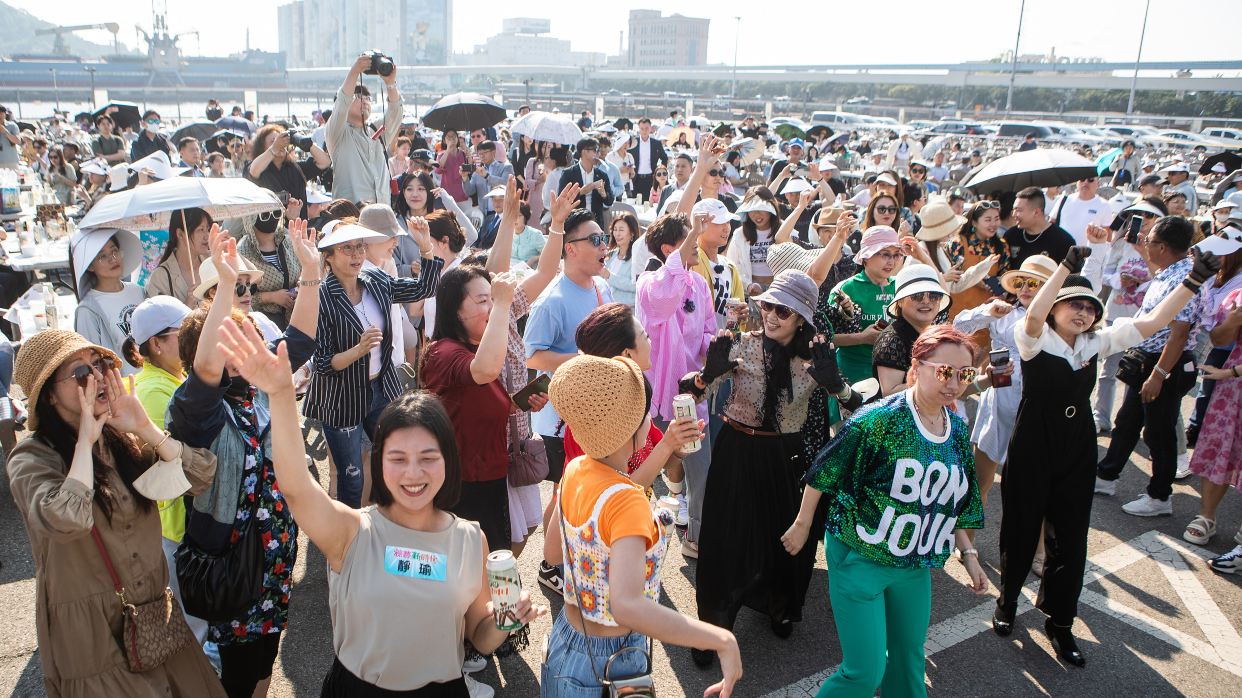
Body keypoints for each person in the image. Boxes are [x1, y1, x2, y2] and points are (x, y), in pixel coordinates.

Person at [221, 314, 546, 695]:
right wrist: (279, 395)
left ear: (448, 461)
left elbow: (480, 635)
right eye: (397, 458)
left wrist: (506, 619)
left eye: (428, 457)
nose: (413, 473)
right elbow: (296, 488)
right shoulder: (352, 531)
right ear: (379, 460)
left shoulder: (470, 539)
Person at [994, 243, 1218, 666]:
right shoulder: (1033, 339)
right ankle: (1007, 602)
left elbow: (1153, 321)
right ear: (1057, 307)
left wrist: (1192, 282)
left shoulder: (1097, 342)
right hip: (1033, 444)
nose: (1082, 313)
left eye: (1089, 308)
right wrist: (1064, 268)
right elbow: (1035, 314)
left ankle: (1060, 623)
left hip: (1076, 447)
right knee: (1021, 527)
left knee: (1072, 538)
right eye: (1074, 305)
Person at [7, 329, 225, 697]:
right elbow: (65, 519)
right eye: (80, 374)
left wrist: (145, 427)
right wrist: (85, 442)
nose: (97, 377)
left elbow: (199, 475)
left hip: (154, 620)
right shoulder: (32, 457)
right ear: (48, 394)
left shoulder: (119, 437)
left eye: (101, 364)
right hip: (94, 637)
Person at [783, 325, 988, 698]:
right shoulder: (877, 420)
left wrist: (969, 553)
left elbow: (957, 496)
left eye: (965, 374)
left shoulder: (956, 427)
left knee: (908, 662)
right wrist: (802, 525)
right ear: (916, 367)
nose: (954, 383)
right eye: (945, 371)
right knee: (865, 672)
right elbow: (823, 471)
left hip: (913, 564)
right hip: (860, 557)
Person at [166, 223, 321, 698]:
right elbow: (209, 368)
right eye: (233, 343)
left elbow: (300, 340)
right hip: (231, 564)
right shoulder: (198, 410)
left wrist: (311, 271)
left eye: (248, 338)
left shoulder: (259, 391)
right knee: (236, 670)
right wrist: (228, 286)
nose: (246, 349)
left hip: (275, 555)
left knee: (264, 660)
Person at [541, 354, 742, 698]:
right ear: (631, 428)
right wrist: (720, 638)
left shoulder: (576, 471)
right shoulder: (628, 502)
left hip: (567, 639)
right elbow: (628, 606)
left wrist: (666, 446)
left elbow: (551, 552)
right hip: (611, 659)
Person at [688, 270, 856, 659]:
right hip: (736, 451)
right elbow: (688, 391)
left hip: (786, 456)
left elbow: (857, 411)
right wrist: (704, 375)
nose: (773, 315)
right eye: (768, 305)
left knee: (783, 538)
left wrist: (837, 386)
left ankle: (779, 608)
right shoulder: (741, 345)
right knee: (724, 539)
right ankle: (713, 626)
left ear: (801, 318)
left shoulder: (814, 358)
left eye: (784, 309)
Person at [304, 220, 443, 508]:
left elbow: (425, 288)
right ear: (328, 256)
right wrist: (359, 349)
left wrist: (425, 246)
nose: (356, 254)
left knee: (393, 459)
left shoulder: (376, 281)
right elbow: (324, 364)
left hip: (381, 386)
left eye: (359, 247)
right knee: (351, 478)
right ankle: (346, 543)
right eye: (346, 248)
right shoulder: (321, 297)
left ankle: (391, 526)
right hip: (341, 397)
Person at [523, 203, 615, 591]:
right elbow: (531, 353)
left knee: (572, 491)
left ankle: (559, 557)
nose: (603, 245)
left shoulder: (602, 287)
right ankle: (549, 566)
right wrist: (581, 361)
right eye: (595, 239)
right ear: (570, 248)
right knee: (566, 494)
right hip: (558, 418)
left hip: (593, 411)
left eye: (604, 238)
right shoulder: (552, 299)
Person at [121, 296, 217, 659]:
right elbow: (180, 462)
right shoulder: (153, 391)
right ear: (156, 344)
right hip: (175, 521)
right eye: (182, 333)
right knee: (193, 620)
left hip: (183, 517)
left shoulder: (173, 377)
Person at [1095, 217, 1205, 516]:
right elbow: (1158, 272)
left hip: (1165, 364)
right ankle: (1106, 476)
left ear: (1164, 247)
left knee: (1159, 432)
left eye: (1150, 241)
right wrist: (1140, 249)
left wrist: (1159, 375)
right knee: (1127, 422)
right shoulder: (1172, 270)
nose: (1145, 244)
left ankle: (1160, 497)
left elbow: (1179, 334)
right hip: (1147, 360)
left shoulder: (1186, 280)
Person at [952, 255, 1056, 543]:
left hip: (1037, 408)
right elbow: (958, 326)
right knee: (980, 480)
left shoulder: (1058, 322)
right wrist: (987, 311)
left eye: (1034, 283)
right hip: (997, 400)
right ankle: (967, 543)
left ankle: (1037, 550)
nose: (1026, 288)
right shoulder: (1004, 312)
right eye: (1021, 282)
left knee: (1033, 486)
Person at [421, 266, 520, 553]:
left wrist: (513, 404)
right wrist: (502, 304)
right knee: (476, 569)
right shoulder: (444, 351)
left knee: (492, 564)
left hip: (489, 477)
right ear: (455, 311)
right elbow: (486, 371)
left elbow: (476, 397)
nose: (490, 306)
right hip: (464, 484)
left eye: (492, 298)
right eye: (481, 301)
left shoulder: (476, 346)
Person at [636, 211, 717, 554]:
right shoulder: (649, 283)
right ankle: (634, 534)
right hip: (655, 393)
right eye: (689, 238)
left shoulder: (699, 283)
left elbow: (707, 330)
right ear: (669, 249)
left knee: (702, 466)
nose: (696, 244)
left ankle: (697, 536)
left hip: (691, 393)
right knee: (642, 465)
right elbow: (664, 299)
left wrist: (717, 349)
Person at [1090, 199, 1166, 433]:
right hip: (1118, 312)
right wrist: (1119, 281)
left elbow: (1167, 278)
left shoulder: (1163, 246)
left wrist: (1143, 284)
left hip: (1150, 318)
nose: (1142, 220)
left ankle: (1132, 422)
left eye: (1149, 216)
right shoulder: (1122, 242)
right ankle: (1101, 415)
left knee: (1141, 373)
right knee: (1108, 370)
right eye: (1138, 214)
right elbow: (1106, 272)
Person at [828, 226, 903, 384]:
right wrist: (862, 338)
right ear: (866, 257)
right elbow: (825, 337)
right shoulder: (846, 289)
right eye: (885, 255)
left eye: (896, 255)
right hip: (853, 377)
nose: (892, 261)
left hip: (894, 375)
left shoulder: (901, 286)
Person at [327, 53, 404, 204]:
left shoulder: (376, 131)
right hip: (350, 218)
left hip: (382, 215)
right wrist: (355, 71)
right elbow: (342, 102)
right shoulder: (337, 132)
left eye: (368, 97)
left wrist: (390, 83)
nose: (364, 100)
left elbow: (396, 112)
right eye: (358, 96)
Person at [71, 228, 146, 377]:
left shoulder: (138, 291)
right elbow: (90, 361)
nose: (112, 259)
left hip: (154, 382)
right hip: (123, 389)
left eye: (114, 251)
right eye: (102, 256)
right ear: (90, 266)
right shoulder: (88, 309)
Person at [872, 265, 951, 396]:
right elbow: (889, 393)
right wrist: (934, 378)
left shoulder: (936, 332)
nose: (926, 301)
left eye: (934, 295)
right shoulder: (892, 339)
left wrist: (986, 380)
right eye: (917, 296)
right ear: (900, 302)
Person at [945, 200, 1011, 336]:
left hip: (986, 311)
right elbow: (951, 275)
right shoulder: (958, 243)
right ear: (974, 222)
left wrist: (996, 286)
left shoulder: (1001, 246)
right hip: (958, 307)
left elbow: (1005, 276)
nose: (993, 224)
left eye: (996, 219)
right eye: (988, 219)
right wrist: (975, 278)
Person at [236, 210, 307, 329]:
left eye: (277, 213)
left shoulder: (288, 241)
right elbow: (237, 297)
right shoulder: (242, 251)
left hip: (296, 316)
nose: (272, 218)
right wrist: (271, 296)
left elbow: (303, 270)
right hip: (264, 322)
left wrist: (300, 286)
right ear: (252, 217)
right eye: (265, 215)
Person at [246, 125, 331, 211]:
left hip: (299, 223)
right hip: (270, 222)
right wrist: (274, 148)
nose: (280, 144)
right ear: (262, 148)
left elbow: (325, 162)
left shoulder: (296, 168)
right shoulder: (260, 169)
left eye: (282, 141)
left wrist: (304, 142)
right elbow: (253, 171)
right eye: (273, 142)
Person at [146, 207, 213, 306]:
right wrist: (187, 305)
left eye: (207, 229)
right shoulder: (161, 277)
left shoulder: (213, 261)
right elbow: (158, 318)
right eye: (200, 229)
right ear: (180, 234)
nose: (207, 235)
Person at [1003, 187, 1075, 265]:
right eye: (1014, 209)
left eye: (1019, 210)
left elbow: (1071, 275)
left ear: (1036, 212)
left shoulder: (1063, 241)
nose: (1014, 214)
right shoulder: (1010, 236)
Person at [558, 137, 615, 227]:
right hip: (575, 222)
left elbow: (610, 201)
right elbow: (561, 200)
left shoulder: (602, 175)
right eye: (595, 150)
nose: (598, 154)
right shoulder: (568, 174)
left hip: (596, 223)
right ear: (584, 151)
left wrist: (604, 194)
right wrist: (581, 192)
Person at [1049, 176, 1115, 246]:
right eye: (1082, 179)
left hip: (1088, 254)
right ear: (1077, 182)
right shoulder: (1064, 200)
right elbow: (1051, 224)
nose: (1085, 183)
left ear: (1098, 183)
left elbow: (1107, 236)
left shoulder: (1104, 205)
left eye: (1090, 180)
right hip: (1061, 250)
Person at [463, 140, 514, 218]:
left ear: (493, 152)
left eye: (485, 153)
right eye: (480, 154)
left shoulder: (506, 167)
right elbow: (470, 192)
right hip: (485, 214)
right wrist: (465, 178)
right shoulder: (477, 172)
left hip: (503, 213)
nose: (482, 156)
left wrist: (487, 176)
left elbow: (506, 184)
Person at [628, 116, 669, 201]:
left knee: (649, 203)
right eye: (642, 128)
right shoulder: (634, 142)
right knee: (635, 203)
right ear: (639, 129)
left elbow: (664, 158)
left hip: (651, 178)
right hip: (635, 178)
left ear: (650, 128)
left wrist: (661, 171)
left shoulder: (656, 143)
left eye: (646, 128)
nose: (644, 131)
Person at [605, 212, 639, 306]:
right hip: (605, 304)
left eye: (621, 230)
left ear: (632, 233)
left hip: (624, 309)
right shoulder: (611, 254)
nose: (617, 234)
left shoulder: (636, 258)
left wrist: (610, 276)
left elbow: (636, 286)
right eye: (615, 230)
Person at [436, 129, 471, 206]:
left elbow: (469, 170)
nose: (452, 139)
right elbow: (438, 170)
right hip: (448, 196)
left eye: (454, 136)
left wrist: (469, 156)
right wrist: (448, 150)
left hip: (462, 194)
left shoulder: (462, 153)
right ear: (444, 140)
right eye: (449, 137)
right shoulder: (441, 155)